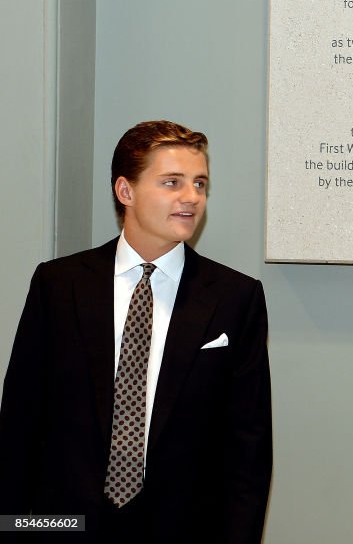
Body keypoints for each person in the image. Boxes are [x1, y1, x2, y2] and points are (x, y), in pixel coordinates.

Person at [0, 121, 272, 543]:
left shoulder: (236, 298)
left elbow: (248, 450)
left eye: (199, 183)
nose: (191, 197)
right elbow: (20, 422)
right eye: (172, 182)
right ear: (125, 191)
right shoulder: (59, 285)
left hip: (183, 529)